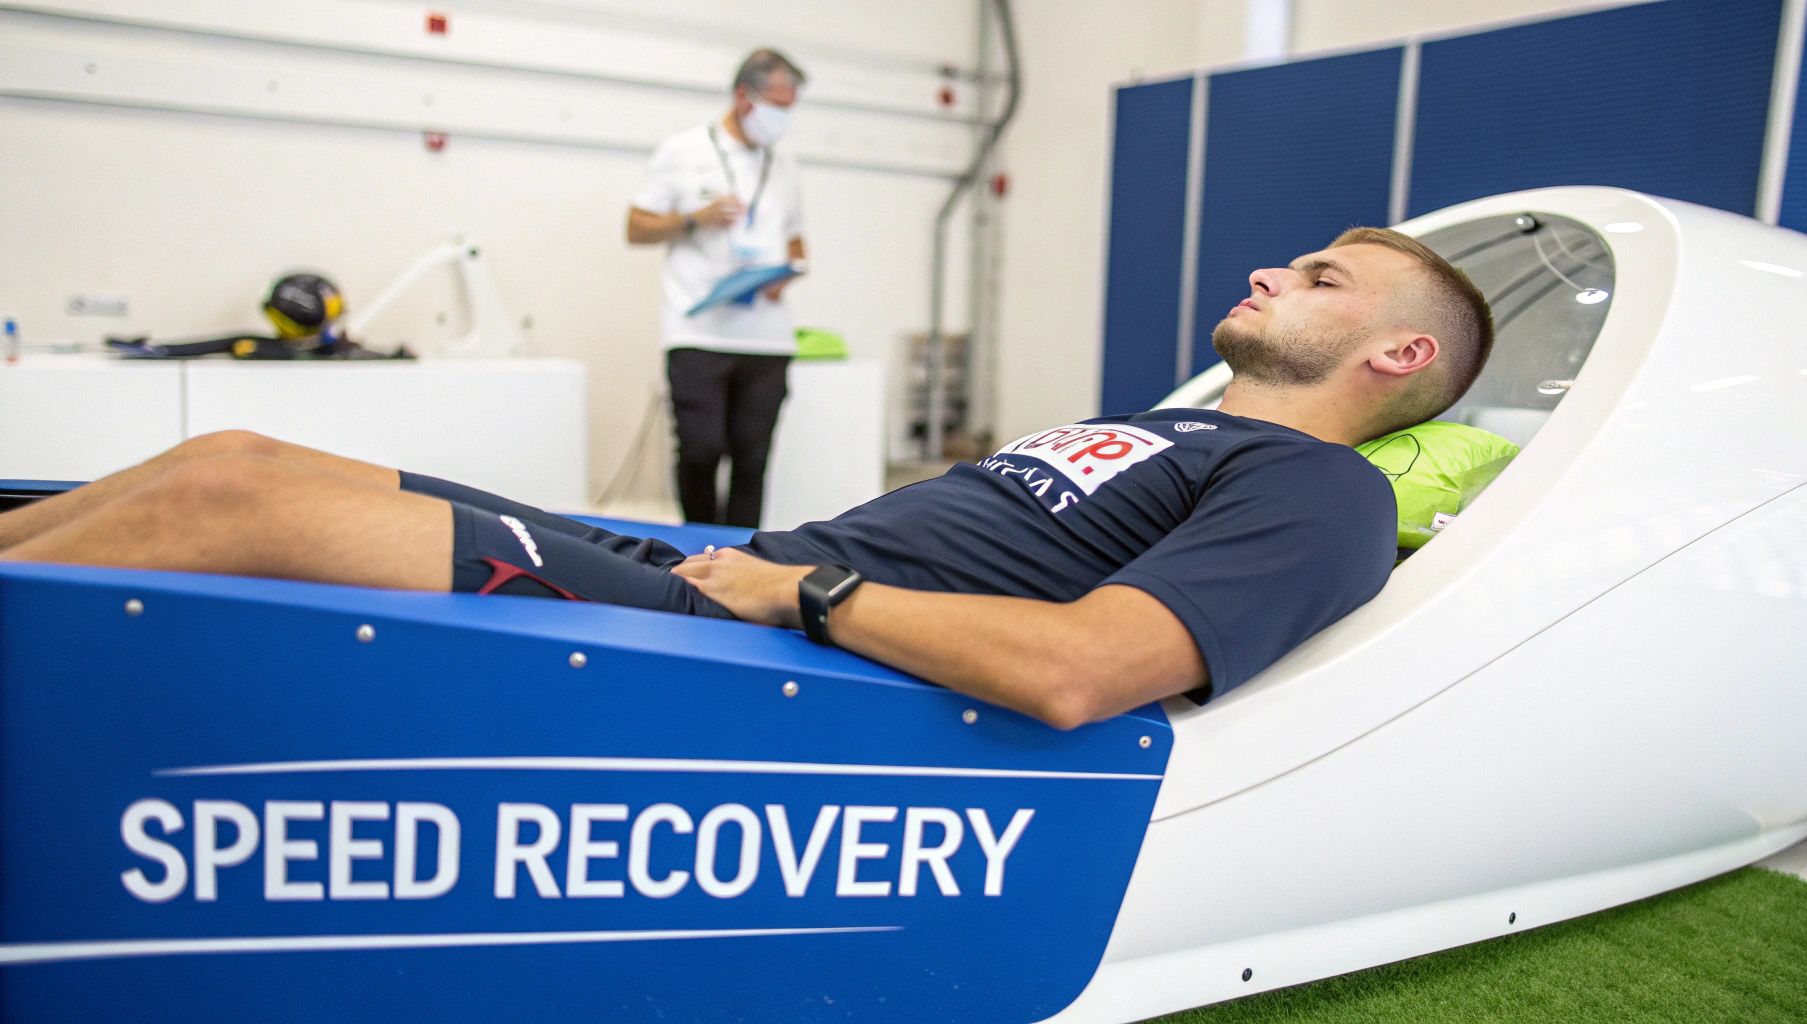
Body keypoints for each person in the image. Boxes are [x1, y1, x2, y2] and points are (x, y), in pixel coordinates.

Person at [0, 228, 1493, 731]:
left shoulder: (1324, 495)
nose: (1271, 272)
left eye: (1319, 279)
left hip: (756, 629)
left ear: (1398, 357)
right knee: (228, 455)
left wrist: (814, 593)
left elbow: (1083, 672)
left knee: (231, 509)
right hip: (726, 573)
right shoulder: (1174, 429)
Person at [625, 48, 809, 528]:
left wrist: (786, 273)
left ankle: (745, 554)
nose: (783, 117)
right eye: (777, 105)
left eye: (791, 107)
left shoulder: (784, 168)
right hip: (698, 328)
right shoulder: (683, 151)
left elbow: (794, 238)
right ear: (743, 97)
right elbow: (635, 227)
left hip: (765, 336)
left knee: (753, 457)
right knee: (702, 449)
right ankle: (698, 546)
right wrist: (694, 219)